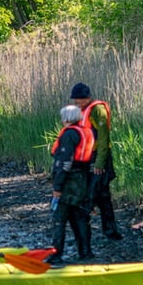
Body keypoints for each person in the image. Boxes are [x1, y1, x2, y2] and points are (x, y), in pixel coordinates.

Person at [70, 82, 122, 240]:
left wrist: (99, 163)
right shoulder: (82, 111)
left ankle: (86, 236)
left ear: (88, 98)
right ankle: (110, 232)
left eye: (80, 100)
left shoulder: (97, 110)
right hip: (88, 158)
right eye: (75, 100)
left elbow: (104, 138)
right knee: (103, 195)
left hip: (100, 158)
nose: (77, 103)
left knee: (92, 195)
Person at [49, 104, 95, 264]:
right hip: (83, 180)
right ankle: (86, 252)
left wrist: (57, 187)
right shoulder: (86, 133)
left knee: (59, 218)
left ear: (66, 119)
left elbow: (64, 162)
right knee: (80, 217)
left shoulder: (69, 135)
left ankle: (56, 254)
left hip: (69, 181)